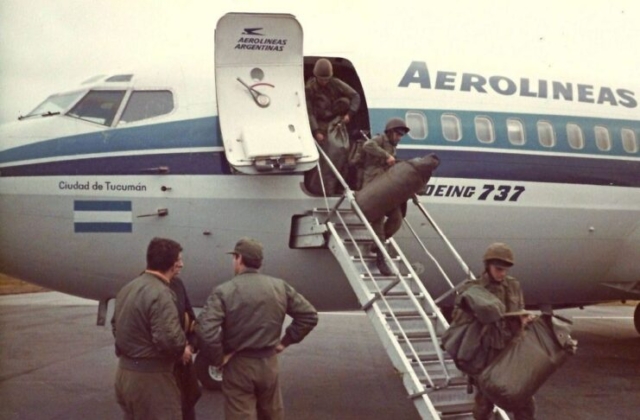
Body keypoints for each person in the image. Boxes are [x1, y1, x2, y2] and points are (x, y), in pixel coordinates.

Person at [196, 237, 319, 420]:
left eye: (234, 257)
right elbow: (309, 315)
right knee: (272, 414)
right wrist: (284, 343)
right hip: (269, 364)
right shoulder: (279, 286)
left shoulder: (224, 291)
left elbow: (206, 330)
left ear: (239, 259)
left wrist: (218, 358)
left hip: (239, 365)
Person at [452, 242, 536, 420]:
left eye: (505, 270)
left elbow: (520, 307)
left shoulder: (513, 285)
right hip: (487, 353)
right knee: (485, 403)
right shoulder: (473, 289)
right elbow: (458, 319)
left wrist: (524, 319)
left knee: (525, 402)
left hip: (511, 350)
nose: (502, 274)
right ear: (487, 266)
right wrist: (477, 315)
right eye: (498, 269)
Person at [111, 237, 187, 420]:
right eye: (179, 260)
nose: (182, 264)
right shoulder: (161, 294)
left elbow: (116, 326)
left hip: (125, 375)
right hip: (151, 380)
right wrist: (183, 348)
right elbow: (169, 340)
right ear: (171, 264)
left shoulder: (128, 288)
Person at [361, 117, 410, 275]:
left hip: (385, 187)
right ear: (389, 132)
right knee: (378, 221)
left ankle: (378, 243)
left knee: (397, 219)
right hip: (373, 186)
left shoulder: (393, 147)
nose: (399, 137)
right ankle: (381, 257)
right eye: (397, 134)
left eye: (401, 135)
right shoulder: (380, 139)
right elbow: (367, 145)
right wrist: (385, 156)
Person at [306, 57, 361, 194]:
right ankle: (319, 188)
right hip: (319, 122)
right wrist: (316, 130)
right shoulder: (310, 88)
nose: (324, 82)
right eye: (321, 79)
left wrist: (350, 114)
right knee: (325, 154)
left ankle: (339, 186)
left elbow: (355, 96)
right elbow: (310, 111)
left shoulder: (335, 83)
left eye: (326, 79)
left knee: (343, 150)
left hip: (335, 121)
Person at [170, 276, 201, 420]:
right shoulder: (149, 288)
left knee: (189, 401)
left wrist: (190, 346)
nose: (181, 264)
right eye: (177, 260)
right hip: (166, 363)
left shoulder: (178, 284)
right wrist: (179, 350)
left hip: (183, 361)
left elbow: (191, 318)